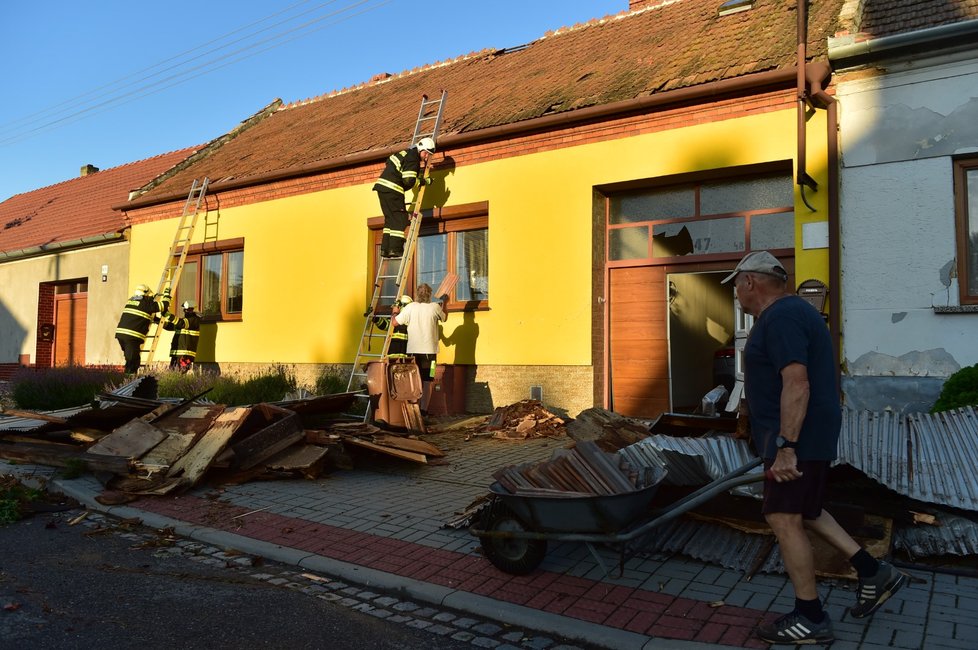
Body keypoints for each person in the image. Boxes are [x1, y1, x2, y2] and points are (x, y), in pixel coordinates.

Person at [723, 250, 908, 645]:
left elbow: (797, 383)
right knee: (806, 510)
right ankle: (873, 572)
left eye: (736, 285)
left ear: (749, 282)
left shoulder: (782, 317)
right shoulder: (790, 315)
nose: (736, 294)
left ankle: (810, 616)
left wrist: (786, 446)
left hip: (797, 438)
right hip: (806, 434)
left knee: (782, 516)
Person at [372, 137, 435, 257]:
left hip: (382, 188)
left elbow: (391, 163)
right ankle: (395, 249)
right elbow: (408, 180)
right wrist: (424, 181)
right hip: (393, 190)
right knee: (400, 218)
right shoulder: (413, 158)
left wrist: (417, 175)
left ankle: (385, 249)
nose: (426, 157)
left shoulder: (404, 153)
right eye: (426, 153)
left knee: (390, 219)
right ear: (421, 149)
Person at [394, 283, 446, 413]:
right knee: (429, 380)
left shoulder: (410, 307)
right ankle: (424, 410)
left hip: (412, 353)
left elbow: (395, 323)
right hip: (431, 353)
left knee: (413, 380)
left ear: (417, 294)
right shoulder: (435, 307)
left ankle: (414, 408)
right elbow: (445, 318)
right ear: (429, 295)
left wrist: (394, 312)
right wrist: (446, 303)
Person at [115, 284, 170, 374]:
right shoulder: (146, 304)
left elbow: (143, 315)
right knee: (132, 361)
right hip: (131, 337)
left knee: (132, 359)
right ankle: (130, 383)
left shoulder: (130, 302)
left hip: (121, 335)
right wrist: (167, 295)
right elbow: (164, 305)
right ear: (145, 294)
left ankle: (129, 379)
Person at [160, 300, 201, 373]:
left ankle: (181, 384)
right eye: (185, 309)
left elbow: (181, 323)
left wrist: (167, 314)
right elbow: (170, 326)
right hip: (177, 352)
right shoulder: (184, 320)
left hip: (185, 353)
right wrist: (156, 320)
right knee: (172, 372)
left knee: (180, 372)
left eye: (188, 309)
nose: (185, 311)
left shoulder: (194, 320)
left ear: (193, 310)